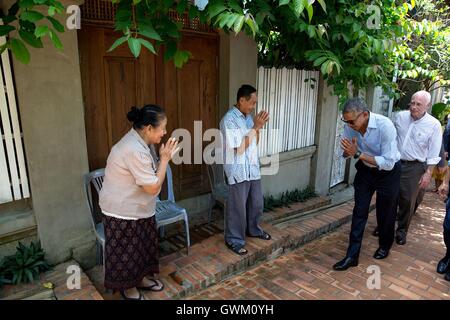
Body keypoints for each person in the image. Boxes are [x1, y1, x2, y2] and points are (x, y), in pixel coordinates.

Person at [99, 104, 178, 300]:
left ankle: (140, 279)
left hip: (139, 207)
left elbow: (149, 177)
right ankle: (128, 288)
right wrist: (165, 159)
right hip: (122, 211)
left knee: (141, 248)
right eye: (163, 128)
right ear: (149, 128)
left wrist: (162, 160)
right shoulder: (133, 149)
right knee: (128, 253)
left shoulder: (143, 143)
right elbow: (152, 187)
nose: (165, 132)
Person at [333, 98, 401, 271]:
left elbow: (388, 163)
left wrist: (358, 154)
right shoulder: (350, 125)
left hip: (388, 173)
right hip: (365, 171)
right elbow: (346, 151)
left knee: (385, 211)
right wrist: (348, 152)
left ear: (364, 114)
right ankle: (352, 256)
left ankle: (385, 245)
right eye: (345, 121)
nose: (348, 124)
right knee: (359, 211)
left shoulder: (385, 126)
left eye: (351, 121)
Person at [219, 84, 271, 255]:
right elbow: (238, 148)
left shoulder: (248, 117)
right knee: (238, 208)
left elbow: (254, 142)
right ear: (242, 100)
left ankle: (253, 230)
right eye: (252, 102)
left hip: (252, 168)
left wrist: (258, 127)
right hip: (238, 170)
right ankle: (234, 240)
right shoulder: (229, 120)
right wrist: (255, 127)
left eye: (255, 103)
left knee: (256, 203)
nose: (254, 106)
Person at [392, 91, 442, 245]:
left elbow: (434, 152)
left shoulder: (433, 125)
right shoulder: (399, 116)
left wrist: (428, 173)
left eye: (418, 104)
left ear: (427, 106)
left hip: (415, 166)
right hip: (394, 163)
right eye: (412, 103)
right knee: (390, 196)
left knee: (407, 199)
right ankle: (385, 225)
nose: (413, 107)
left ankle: (401, 230)